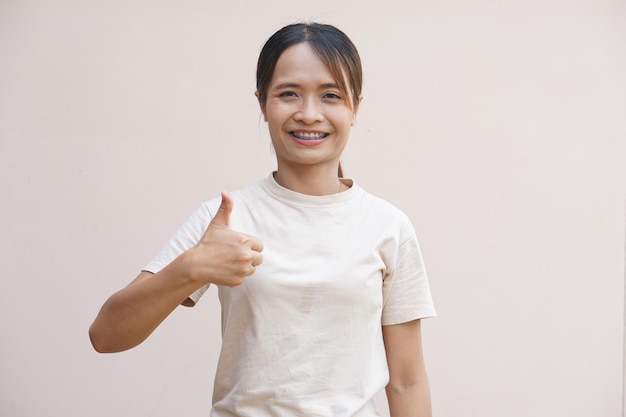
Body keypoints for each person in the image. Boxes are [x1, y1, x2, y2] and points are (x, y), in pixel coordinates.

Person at [89, 22, 436, 417]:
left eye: (331, 95)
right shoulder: (224, 218)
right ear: (262, 103)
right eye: (289, 94)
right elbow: (106, 335)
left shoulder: (387, 226)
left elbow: (407, 380)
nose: (309, 114)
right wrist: (189, 268)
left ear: (354, 106)